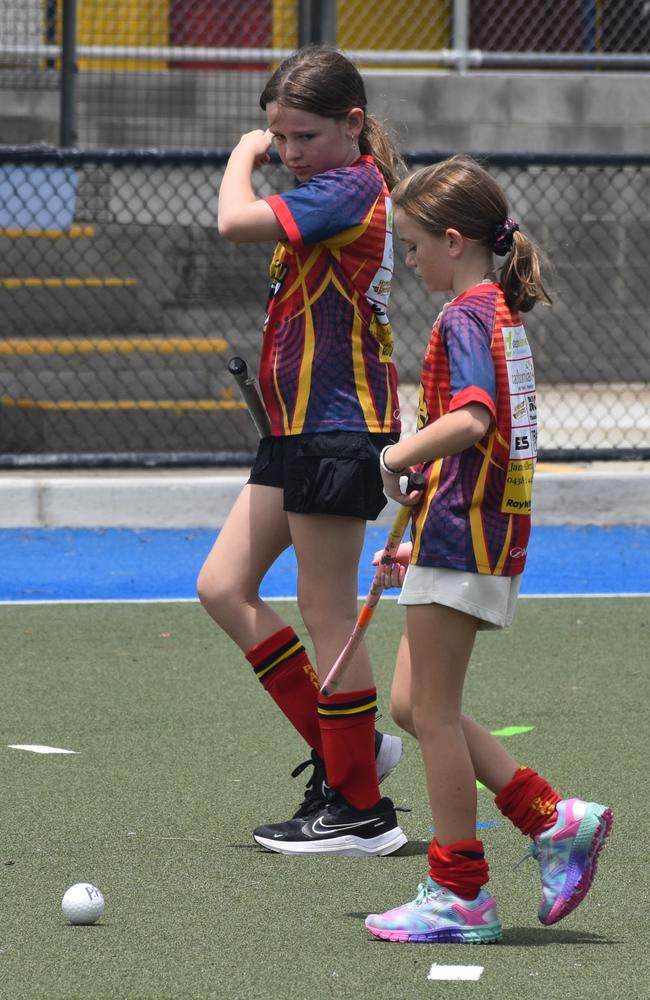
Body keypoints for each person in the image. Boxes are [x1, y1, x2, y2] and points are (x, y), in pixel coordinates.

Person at [363, 155, 613, 942]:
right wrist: (419, 537)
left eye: (412, 244)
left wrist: (395, 458)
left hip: (465, 537)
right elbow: (484, 440)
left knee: (431, 716)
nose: (407, 260)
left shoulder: (467, 315)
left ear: (454, 238)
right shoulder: (496, 311)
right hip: (467, 533)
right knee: (411, 705)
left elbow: (470, 420)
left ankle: (459, 891)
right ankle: (550, 817)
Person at [198, 44, 418, 857]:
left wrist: (241, 155)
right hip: (296, 427)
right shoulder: (329, 185)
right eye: (276, 138)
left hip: (337, 426)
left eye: (302, 136)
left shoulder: (351, 187)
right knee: (223, 586)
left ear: (353, 125)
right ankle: (351, 753)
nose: (287, 153)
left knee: (330, 616)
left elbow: (229, 219)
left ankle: (361, 812)